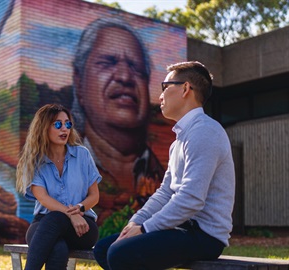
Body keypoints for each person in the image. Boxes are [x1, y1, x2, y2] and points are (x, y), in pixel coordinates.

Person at [93, 61, 236, 269]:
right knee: (104, 249)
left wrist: (145, 229)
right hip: (182, 227)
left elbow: (191, 199)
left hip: (204, 235)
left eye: (165, 87)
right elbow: (165, 192)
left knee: (119, 254)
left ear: (186, 88)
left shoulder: (205, 132)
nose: (160, 96)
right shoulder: (180, 140)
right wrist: (135, 222)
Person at [72, 17, 164, 223]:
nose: (125, 76)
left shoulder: (168, 174)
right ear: (79, 82)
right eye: (107, 63)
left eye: (137, 68)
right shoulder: (65, 164)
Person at [16, 103, 102, 270]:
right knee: (58, 248)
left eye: (68, 124)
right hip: (43, 223)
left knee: (56, 219)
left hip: (82, 226)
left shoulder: (82, 155)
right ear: (44, 128)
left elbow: (94, 196)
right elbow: (43, 198)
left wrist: (78, 211)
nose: (65, 129)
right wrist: (72, 215)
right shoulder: (35, 161)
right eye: (58, 124)